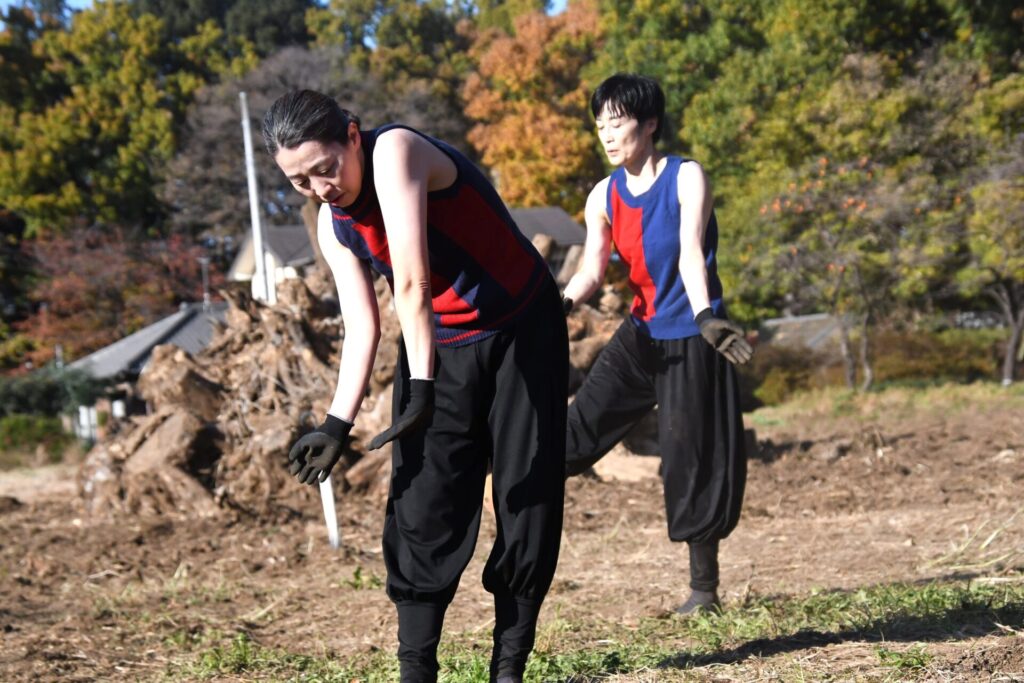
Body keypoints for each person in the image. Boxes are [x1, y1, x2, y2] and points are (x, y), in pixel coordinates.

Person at [263, 90, 569, 683]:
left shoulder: (395, 151)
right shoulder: (333, 224)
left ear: (352, 136)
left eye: (324, 168)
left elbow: (413, 280)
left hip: (522, 329)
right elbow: (362, 327)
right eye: (299, 182)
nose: (320, 188)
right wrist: (336, 424)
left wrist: (422, 387)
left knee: (523, 494)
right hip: (440, 345)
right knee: (423, 499)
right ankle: (416, 672)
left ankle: (507, 670)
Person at [561, 73, 752, 615]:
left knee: (690, 458)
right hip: (642, 333)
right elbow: (591, 271)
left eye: (617, 123)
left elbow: (691, 253)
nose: (607, 134)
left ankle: (703, 592)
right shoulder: (603, 194)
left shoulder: (687, 177)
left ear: (648, 124)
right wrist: (561, 304)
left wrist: (707, 317)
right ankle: (500, 473)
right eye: (600, 125)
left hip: (694, 334)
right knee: (577, 427)